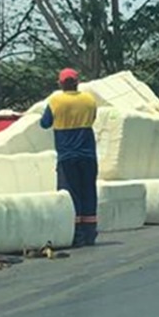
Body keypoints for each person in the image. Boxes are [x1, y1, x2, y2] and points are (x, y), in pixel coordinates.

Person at [39, 68, 98, 247]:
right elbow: (93, 119)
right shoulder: (89, 100)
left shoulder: (56, 101)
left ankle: (75, 234)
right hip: (88, 154)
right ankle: (90, 234)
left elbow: (44, 123)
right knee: (88, 192)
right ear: (77, 82)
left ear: (60, 83)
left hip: (67, 156)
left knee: (71, 195)